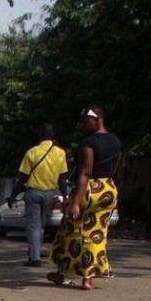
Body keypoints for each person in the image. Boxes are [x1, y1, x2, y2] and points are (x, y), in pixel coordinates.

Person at [48, 107, 121, 291]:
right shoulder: (116, 141)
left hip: (89, 190)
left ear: (98, 119)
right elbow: (117, 168)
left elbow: (85, 173)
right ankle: (88, 275)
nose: (83, 124)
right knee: (98, 234)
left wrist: (74, 203)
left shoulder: (88, 142)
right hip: (108, 188)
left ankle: (76, 276)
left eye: (86, 121)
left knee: (72, 232)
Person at [8, 123, 69, 266]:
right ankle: (35, 252)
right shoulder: (60, 153)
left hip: (33, 193)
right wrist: (65, 196)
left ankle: (35, 258)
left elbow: (22, 177)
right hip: (50, 194)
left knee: (34, 225)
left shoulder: (32, 152)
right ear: (52, 136)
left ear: (40, 136)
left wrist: (13, 195)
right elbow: (62, 179)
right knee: (41, 225)